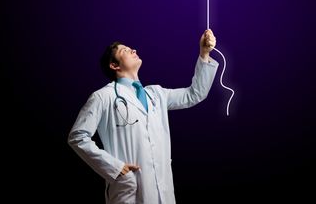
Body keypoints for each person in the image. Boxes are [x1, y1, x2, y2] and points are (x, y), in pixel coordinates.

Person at [68, 29, 218, 203]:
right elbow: (78, 136)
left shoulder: (155, 94)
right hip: (131, 191)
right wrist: (115, 168)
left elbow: (194, 94)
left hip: (163, 192)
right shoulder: (103, 97)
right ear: (114, 65)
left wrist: (204, 53)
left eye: (131, 48)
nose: (133, 50)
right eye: (125, 50)